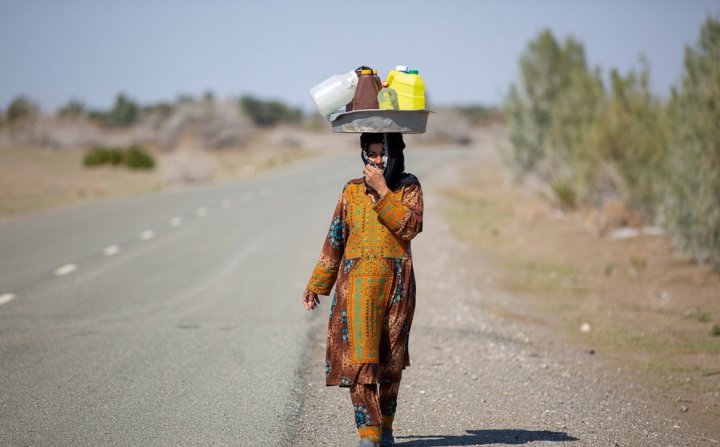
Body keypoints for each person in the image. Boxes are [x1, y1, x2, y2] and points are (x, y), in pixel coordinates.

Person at [302, 132, 423, 447]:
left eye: (383, 154)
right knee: (361, 360)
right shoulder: (351, 191)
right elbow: (335, 238)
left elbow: (409, 226)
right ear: (363, 156)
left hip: (397, 288)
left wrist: (383, 190)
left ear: (394, 153)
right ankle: (367, 434)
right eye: (372, 155)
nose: (378, 161)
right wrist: (316, 284)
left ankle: (386, 428)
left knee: (391, 363)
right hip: (356, 289)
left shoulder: (409, 187)